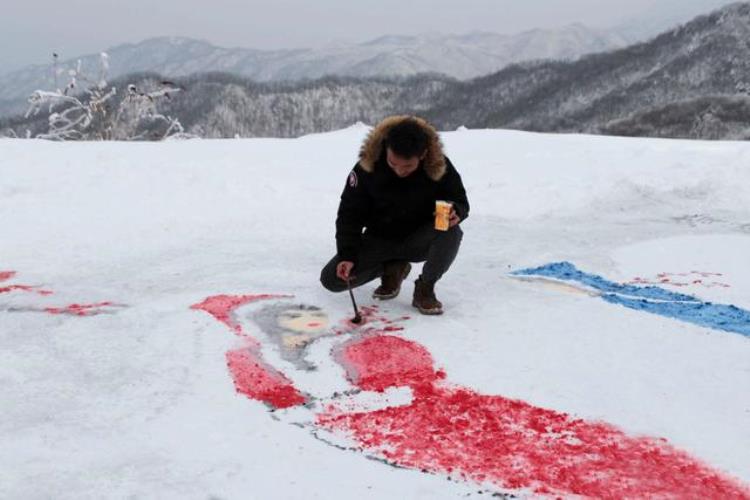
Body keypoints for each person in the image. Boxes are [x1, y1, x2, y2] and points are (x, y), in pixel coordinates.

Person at [319, 115, 469, 315]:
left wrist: (456, 211)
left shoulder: (439, 166)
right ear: (385, 149)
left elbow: (459, 200)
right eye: (393, 164)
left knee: (451, 231)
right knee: (332, 280)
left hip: (419, 240)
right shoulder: (367, 167)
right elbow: (349, 214)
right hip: (379, 240)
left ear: (423, 154)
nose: (399, 171)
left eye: (407, 166)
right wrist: (347, 255)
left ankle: (425, 287)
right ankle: (393, 267)